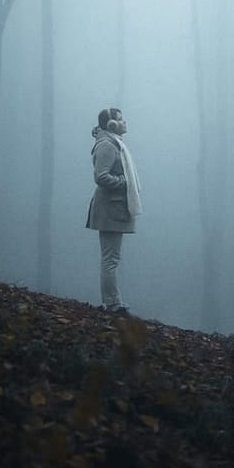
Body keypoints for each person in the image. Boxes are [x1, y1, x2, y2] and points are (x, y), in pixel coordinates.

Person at [85, 107, 142, 315]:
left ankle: (114, 302)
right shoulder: (107, 145)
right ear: (111, 124)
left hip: (115, 207)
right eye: (121, 119)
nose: (125, 122)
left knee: (112, 257)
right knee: (110, 258)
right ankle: (112, 304)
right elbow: (101, 176)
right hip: (110, 208)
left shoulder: (114, 143)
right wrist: (124, 182)